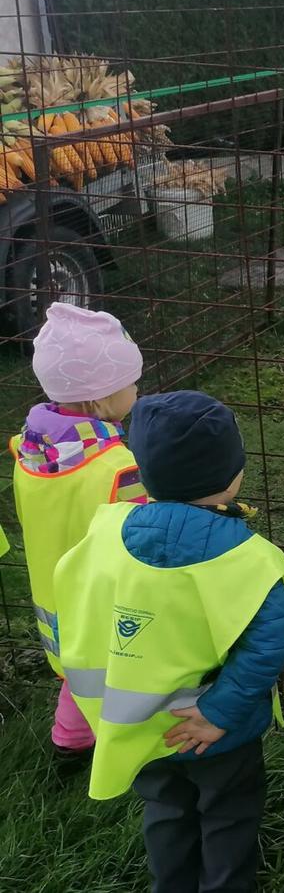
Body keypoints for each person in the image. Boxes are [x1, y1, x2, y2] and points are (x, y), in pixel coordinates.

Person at [53, 391, 284, 893]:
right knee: (228, 817)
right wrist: (217, 715)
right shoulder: (251, 559)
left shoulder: (102, 535)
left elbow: (79, 611)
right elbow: (264, 649)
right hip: (220, 733)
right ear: (233, 476)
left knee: (165, 811)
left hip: (143, 726)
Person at [10, 303, 146, 758]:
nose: (137, 390)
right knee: (108, 672)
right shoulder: (118, 468)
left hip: (51, 593)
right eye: (131, 383)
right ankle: (122, 747)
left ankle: (68, 741)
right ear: (99, 401)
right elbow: (141, 531)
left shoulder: (28, 455)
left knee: (75, 672)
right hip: (103, 598)